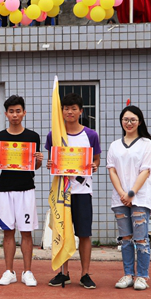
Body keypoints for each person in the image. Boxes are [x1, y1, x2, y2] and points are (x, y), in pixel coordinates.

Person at [44, 93, 101, 289]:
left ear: (80, 111)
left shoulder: (91, 135)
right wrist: (50, 164)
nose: (69, 112)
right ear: (61, 111)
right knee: (62, 231)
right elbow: (52, 161)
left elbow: (96, 160)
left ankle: (85, 274)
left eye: (73, 108)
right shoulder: (54, 135)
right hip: (62, 192)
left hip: (82, 192)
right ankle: (64, 273)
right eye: (66, 108)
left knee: (84, 233)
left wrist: (93, 165)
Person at [0, 95, 43, 286]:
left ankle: (27, 272)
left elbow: (35, 166)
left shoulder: (32, 137)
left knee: (26, 232)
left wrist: (39, 161)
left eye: (18, 111)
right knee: (8, 232)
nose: (15, 115)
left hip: (26, 189)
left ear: (24, 113)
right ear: (6, 114)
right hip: (5, 189)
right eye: (11, 111)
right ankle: (9, 271)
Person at [106, 105, 151, 291]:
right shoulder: (114, 145)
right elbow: (112, 170)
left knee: (141, 238)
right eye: (125, 119)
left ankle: (142, 276)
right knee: (126, 238)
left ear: (140, 121)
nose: (129, 123)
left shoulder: (147, 145)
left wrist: (131, 193)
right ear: (121, 121)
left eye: (133, 119)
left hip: (140, 198)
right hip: (120, 199)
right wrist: (122, 193)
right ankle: (128, 274)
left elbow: (145, 171)